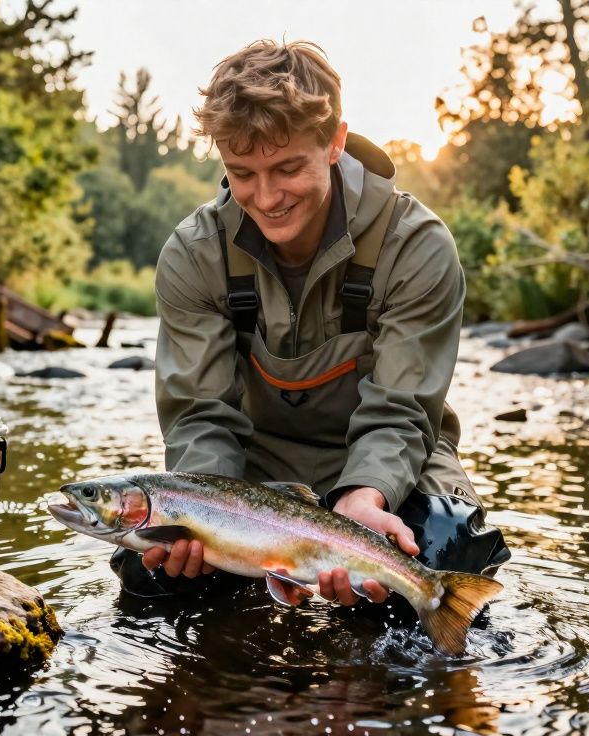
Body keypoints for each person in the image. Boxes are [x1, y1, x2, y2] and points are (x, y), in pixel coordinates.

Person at [112, 40, 510, 605]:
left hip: (395, 455)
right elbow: (202, 417)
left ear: (335, 143)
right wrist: (201, 517)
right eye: (241, 173)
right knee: (152, 574)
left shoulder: (415, 245)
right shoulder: (194, 254)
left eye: (287, 167)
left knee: (441, 549)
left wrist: (365, 496)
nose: (266, 197)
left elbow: (403, 410)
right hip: (253, 471)